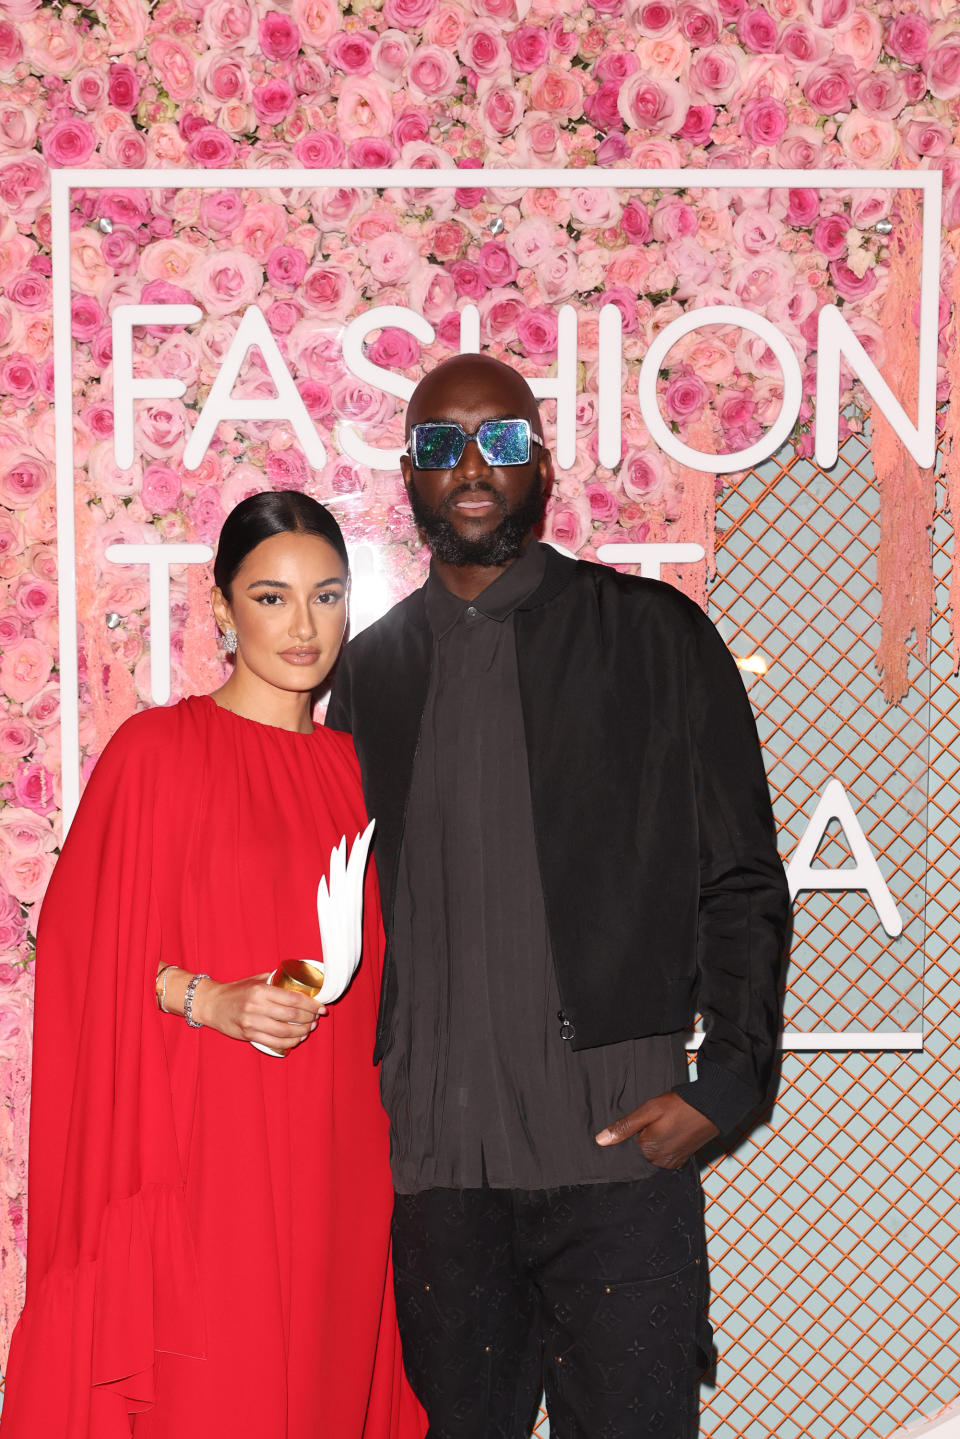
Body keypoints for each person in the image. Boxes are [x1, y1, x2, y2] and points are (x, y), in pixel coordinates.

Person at [326, 354, 791, 1438]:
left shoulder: (654, 637)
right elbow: (322, 908)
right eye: (442, 444)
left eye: (500, 439)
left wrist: (728, 1080)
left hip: (615, 1163)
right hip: (433, 1182)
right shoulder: (366, 675)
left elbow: (743, 877)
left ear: (540, 462)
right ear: (408, 473)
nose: (472, 466)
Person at [2, 493, 425, 1439]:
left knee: (323, 1384)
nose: (304, 625)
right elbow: (81, 954)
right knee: (216, 1391)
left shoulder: (366, 774)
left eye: (327, 595)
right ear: (224, 608)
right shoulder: (159, 751)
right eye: (272, 597)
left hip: (344, 1154)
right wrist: (206, 996)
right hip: (206, 1149)